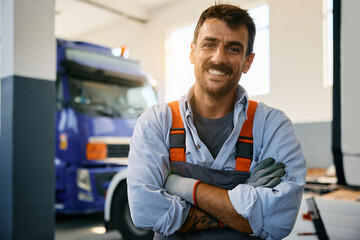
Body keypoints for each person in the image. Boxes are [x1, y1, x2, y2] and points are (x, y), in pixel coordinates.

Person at [127, 3, 307, 240]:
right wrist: (245, 212)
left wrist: (183, 187)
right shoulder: (157, 122)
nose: (218, 57)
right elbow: (145, 213)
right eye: (209, 44)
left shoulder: (272, 126)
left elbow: (278, 221)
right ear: (192, 51)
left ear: (248, 62)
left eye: (233, 48)